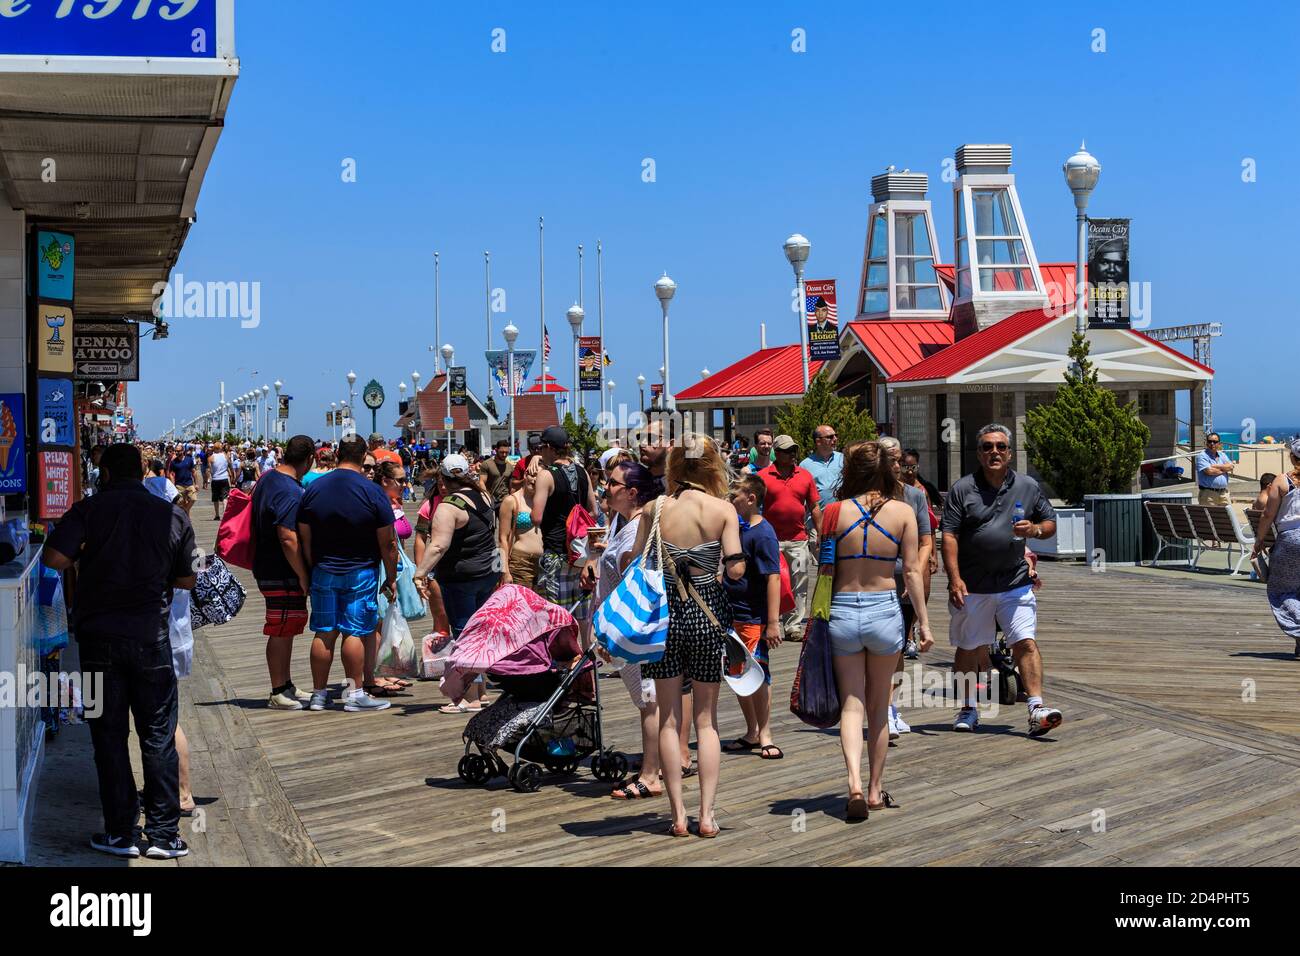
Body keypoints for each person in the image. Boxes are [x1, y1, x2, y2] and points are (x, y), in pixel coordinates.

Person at [42, 443, 198, 859]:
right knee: (158, 736)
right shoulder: (173, 514)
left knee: (108, 738)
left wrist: (87, 557)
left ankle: (120, 833)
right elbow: (188, 580)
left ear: (105, 474)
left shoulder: (87, 510)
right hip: (152, 637)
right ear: (142, 470)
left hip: (97, 639)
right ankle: (164, 837)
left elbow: (55, 558)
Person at [628, 435, 744, 838]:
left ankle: (677, 816)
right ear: (713, 467)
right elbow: (735, 570)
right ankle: (707, 816)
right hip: (707, 614)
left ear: (675, 466)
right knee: (706, 721)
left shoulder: (654, 508)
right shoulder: (722, 509)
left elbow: (635, 559)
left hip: (664, 616)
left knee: (668, 718)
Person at [822, 440, 933, 820]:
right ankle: (873, 790)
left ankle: (852, 781)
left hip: (842, 609)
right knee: (879, 709)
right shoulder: (902, 512)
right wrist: (924, 622)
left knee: (851, 705)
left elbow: (824, 572)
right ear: (887, 469)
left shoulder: (832, 512)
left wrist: (814, 618)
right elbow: (914, 571)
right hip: (885, 610)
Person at [942, 423, 1061, 736]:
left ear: (1010, 452)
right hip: (972, 585)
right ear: (978, 453)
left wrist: (1034, 530)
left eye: (1000, 447)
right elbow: (950, 535)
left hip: (1014, 582)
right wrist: (954, 578)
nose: (994, 452)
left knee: (1024, 642)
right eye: (987, 447)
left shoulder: (1027, 486)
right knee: (968, 646)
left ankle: (1036, 707)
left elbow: (1049, 521)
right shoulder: (962, 489)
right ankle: (968, 707)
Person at [297, 435, 398, 713]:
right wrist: (391, 576)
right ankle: (354, 695)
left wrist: (310, 564)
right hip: (361, 571)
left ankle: (318, 695)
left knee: (324, 632)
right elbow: (388, 542)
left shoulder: (315, 488)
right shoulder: (372, 491)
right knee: (354, 632)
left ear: (339, 453)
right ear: (363, 453)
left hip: (323, 570)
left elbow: (303, 534)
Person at [596, 462, 676, 800]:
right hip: (629, 626)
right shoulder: (624, 523)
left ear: (631, 492)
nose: (605, 487)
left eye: (613, 484)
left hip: (635, 628)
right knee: (649, 700)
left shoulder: (639, 526)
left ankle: (650, 774)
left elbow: (636, 574)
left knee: (649, 700)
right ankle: (660, 765)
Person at [414, 454, 501, 712]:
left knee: (465, 634)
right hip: (488, 573)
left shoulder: (449, 506)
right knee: (480, 632)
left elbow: (439, 545)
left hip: (461, 578)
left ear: (443, 477)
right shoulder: (484, 497)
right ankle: (482, 689)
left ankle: (471, 697)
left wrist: (420, 573)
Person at [721, 475, 783, 760]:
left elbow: (773, 577)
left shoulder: (764, 533)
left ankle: (766, 733)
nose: (730, 499)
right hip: (730, 613)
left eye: (735, 495)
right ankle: (751, 731)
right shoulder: (733, 528)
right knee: (738, 675)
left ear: (751, 499)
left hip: (754, 616)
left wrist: (772, 621)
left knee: (759, 676)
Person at [252, 435, 315, 710]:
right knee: (280, 628)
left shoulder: (268, 478)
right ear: (309, 459)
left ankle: (286, 683)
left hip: (267, 564)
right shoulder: (288, 490)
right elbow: (287, 536)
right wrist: (302, 573)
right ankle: (278, 690)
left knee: (287, 626)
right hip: (280, 568)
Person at [531, 425, 598, 629]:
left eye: (541, 447)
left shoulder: (546, 475)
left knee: (556, 613)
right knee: (582, 612)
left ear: (550, 448)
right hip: (580, 552)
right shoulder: (582, 472)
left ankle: (562, 657)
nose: (539, 452)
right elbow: (593, 511)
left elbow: (537, 517)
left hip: (556, 551)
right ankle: (586, 655)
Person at [757, 434, 821, 640]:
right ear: (777, 453)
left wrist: (821, 532)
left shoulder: (805, 476)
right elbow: (753, 505)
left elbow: (815, 507)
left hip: (798, 538)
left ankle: (793, 625)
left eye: (794, 450)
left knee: (799, 581)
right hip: (770, 540)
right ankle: (771, 620)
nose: (792, 454)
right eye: (787, 451)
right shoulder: (764, 476)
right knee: (771, 581)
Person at [1252, 439, 1300, 658]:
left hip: (1290, 540)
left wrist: (1259, 539)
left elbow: (1268, 514)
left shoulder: (1282, 480)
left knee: (1281, 589)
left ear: (1292, 457)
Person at [898, 446, 940, 664]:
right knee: (905, 595)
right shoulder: (897, 491)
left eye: (913, 466)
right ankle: (907, 635)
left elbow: (929, 527)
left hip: (921, 549)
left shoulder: (921, 492)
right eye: (906, 466)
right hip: (902, 552)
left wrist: (933, 553)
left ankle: (912, 625)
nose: (909, 471)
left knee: (922, 594)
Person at [499, 455, 544, 592]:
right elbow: (502, 539)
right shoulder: (511, 501)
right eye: (532, 475)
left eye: (540, 477)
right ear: (525, 474)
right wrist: (504, 571)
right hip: (520, 563)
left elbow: (563, 459)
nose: (535, 480)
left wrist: (537, 456)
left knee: (540, 611)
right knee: (521, 609)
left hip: (544, 564)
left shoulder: (543, 500)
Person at [801, 424, 843, 504]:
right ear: (818, 441)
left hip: (841, 514)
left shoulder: (843, 458)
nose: (835, 439)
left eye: (836, 435)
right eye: (830, 437)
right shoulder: (805, 465)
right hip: (819, 515)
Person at [1196, 433, 1235, 506]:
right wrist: (1224, 469)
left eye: (1215, 441)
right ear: (1206, 443)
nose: (1212, 443)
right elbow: (1209, 471)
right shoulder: (1202, 456)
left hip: (1224, 494)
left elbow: (1231, 467)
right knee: (1210, 517)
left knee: (1227, 516)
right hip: (1209, 495)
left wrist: (1216, 466)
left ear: (1219, 444)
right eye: (1210, 441)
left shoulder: (1222, 455)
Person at [478, 438, 514, 504]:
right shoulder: (486, 464)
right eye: (502, 452)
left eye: (506, 452)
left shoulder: (510, 467)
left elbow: (511, 487)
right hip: (490, 500)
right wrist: (487, 498)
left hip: (505, 500)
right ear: (496, 450)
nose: (504, 455)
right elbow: (481, 482)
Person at [167, 444, 198, 515]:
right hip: (179, 485)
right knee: (180, 502)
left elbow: (193, 471)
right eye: (176, 451)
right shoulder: (173, 462)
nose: (177, 452)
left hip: (189, 484)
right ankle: (186, 517)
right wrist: (172, 484)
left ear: (183, 451)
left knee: (193, 498)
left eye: (179, 451)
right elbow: (171, 474)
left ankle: (185, 511)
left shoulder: (189, 459)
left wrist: (196, 484)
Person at [209, 442, 231, 520]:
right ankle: (225, 513)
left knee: (216, 498)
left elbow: (210, 470)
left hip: (215, 479)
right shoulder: (225, 456)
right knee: (225, 497)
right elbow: (229, 464)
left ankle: (217, 515)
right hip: (224, 478)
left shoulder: (211, 457)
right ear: (221, 448)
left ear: (214, 448)